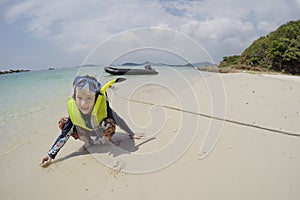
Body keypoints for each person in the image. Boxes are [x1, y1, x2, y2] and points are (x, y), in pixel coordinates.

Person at [40, 75, 144, 168]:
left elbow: (117, 119)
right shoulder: (74, 108)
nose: (84, 103)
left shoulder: (102, 106)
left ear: (95, 97)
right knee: (63, 122)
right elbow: (64, 134)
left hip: (100, 131)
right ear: (74, 97)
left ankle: (107, 141)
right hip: (85, 131)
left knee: (109, 122)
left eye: (89, 98)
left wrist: (131, 133)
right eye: (79, 98)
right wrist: (51, 155)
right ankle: (87, 143)